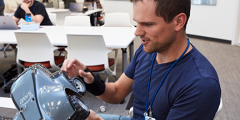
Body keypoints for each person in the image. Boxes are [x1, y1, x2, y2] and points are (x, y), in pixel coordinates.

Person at [61, 0, 221, 119]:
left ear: (178, 22)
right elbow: (116, 92)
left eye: (147, 24)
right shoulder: (147, 52)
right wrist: (89, 80)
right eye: (136, 23)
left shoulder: (200, 85)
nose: (136, 32)